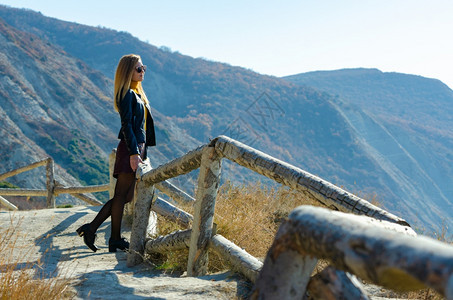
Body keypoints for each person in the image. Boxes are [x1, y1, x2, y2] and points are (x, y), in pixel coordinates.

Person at [76, 54, 156, 252]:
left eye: (143, 67)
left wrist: (140, 152)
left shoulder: (136, 94)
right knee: (121, 196)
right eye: (138, 68)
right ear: (128, 71)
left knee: (125, 196)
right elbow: (127, 125)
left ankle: (95, 230)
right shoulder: (127, 94)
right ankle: (111, 237)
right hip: (130, 149)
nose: (142, 71)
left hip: (136, 148)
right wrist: (134, 153)